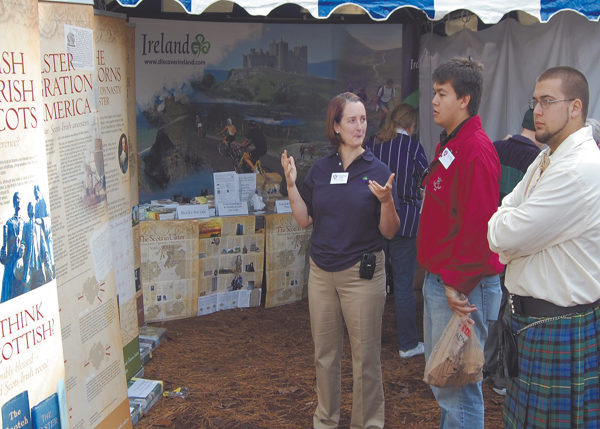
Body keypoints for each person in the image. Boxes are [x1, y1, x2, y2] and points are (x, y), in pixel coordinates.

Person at [488, 66, 600, 429]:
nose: (537, 110)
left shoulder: (576, 169)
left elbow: (504, 234)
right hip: (535, 326)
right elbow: (507, 212)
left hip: (559, 326)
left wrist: (509, 228)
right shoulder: (547, 157)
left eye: (547, 101)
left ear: (575, 107)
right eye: (535, 101)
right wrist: (510, 224)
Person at [281, 91, 400, 429]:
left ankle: (368, 423)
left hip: (361, 275)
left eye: (363, 119)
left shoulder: (377, 169)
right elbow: (305, 220)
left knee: (365, 360)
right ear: (335, 125)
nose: (359, 126)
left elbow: (390, 231)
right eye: (351, 119)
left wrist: (388, 201)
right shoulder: (320, 170)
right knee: (325, 355)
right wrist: (291, 185)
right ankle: (326, 420)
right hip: (321, 273)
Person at [417, 57, 503, 429]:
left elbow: (479, 228)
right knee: (447, 384)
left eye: (441, 94)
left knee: (459, 389)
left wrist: (455, 283)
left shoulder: (476, 151)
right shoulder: (453, 143)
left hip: (462, 288)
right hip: (446, 283)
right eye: (434, 93)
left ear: (464, 99)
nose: (434, 101)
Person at [482, 108, 541, 396]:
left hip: (488, 238)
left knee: (488, 306)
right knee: (507, 311)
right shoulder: (537, 160)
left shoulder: (496, 147)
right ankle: (500, 376)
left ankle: (481, 363)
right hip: (515, 246)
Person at [364, 103, 429, 359]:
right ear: (411, 126)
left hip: (375, 222)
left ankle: (367, 341)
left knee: (370, 282)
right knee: (403, 285)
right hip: (407, 223)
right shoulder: (413, 147)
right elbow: (426, 182)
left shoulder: (372, 144)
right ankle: (408, 344)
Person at [21, 202, 52, 291]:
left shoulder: (39, 227)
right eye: (30, 207)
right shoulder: (26, 226)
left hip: (38, 263)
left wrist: (46, 258)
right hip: (29, 263)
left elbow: (43, 244)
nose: (32, 208)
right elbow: (23, 241)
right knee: (27, 284)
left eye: (33, 207)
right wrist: (22, 247)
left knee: (40, 285)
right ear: (28, 211)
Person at [1, 192, 24, 302]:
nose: (18, 201)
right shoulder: (9, 223)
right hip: (10, 263)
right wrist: (2, 255)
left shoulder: (25, 223)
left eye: (19, 199)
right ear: (13, 202)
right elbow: (4, 245)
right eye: (16, 199)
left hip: (20, 264)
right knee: (9, 295)